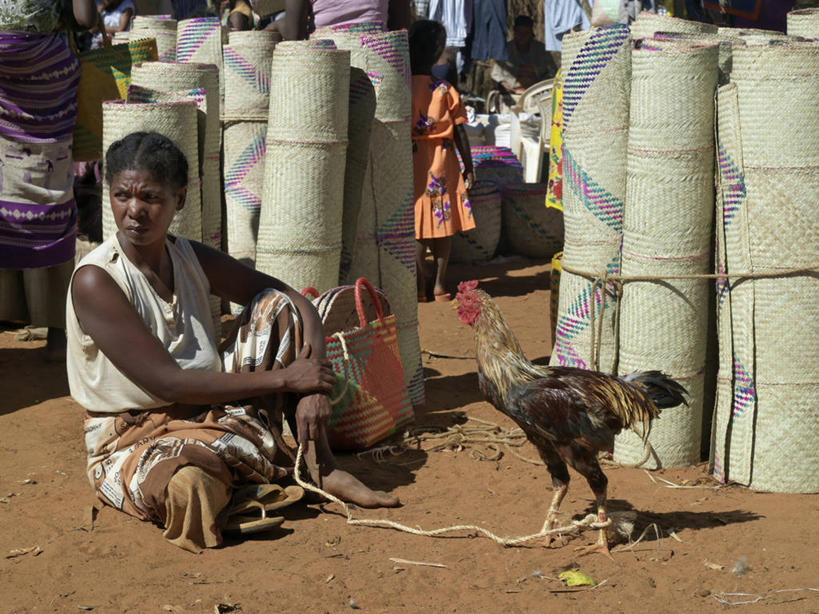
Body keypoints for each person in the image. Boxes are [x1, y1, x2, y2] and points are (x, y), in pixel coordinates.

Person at [66, 132, 399, 553]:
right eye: (122, 196)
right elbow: (169, 384)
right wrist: (287, 381)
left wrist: (312, 384)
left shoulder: (187, 256)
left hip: (214, 413)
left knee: (275, 307)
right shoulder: (97, 278)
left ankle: (319, 465)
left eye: (150, 197)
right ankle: (244, 472)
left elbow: (294, 301)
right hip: (133, 438)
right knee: (185, 484)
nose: (134, 211)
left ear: (179, 199)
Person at [0, 0, 97, 360]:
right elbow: (85, 20)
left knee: (4, 188)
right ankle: (58, 333)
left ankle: (8, 310)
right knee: (52, 183)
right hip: (46, 70)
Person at [409, 20, 475, 303]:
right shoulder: (446, 90)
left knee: (418, 227)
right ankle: (438, 286)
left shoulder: (402, 87)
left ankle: (418, 286)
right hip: (443, 162)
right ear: (437, 53)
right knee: (442, 223)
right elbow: (459, 130)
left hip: (412, 162)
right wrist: (469, 166)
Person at [491, 15, 556, 94]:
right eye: (519, 32)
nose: (522, 36)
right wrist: (503, 83)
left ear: (531, 34)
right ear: (515, 32)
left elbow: (553, 72)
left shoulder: (541, 50)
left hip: (536, 92)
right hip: (511, 93)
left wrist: (536, 73)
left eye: (526, 33)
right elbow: (495, 74)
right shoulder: (505, 49)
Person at [282, 0, 411, 39]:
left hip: (326, 63)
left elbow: (293, 36)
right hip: (378, 61)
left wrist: (277, 26)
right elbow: (401, 28)